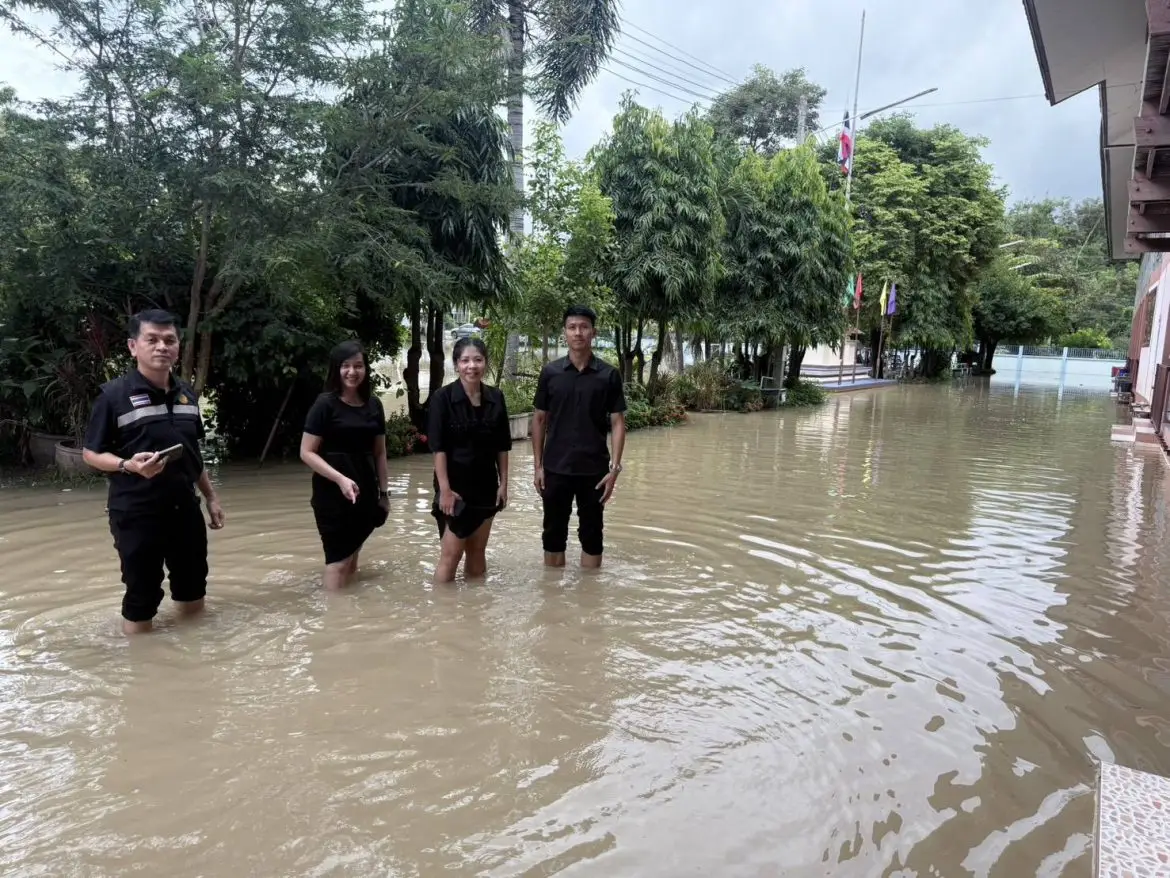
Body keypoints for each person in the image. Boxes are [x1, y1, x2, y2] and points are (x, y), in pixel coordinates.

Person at [81, 309, 226, 635]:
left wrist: (211, 497)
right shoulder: (113, 397)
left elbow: (193, 453)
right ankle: (141, 672)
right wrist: (126, 465)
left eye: (169, 340)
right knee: (142, 595)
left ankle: (194, 659)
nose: (162, 346)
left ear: (177, 347)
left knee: (193, 589)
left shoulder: (187, 394)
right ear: (134, 347)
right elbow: (90, 453)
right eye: (152, 340)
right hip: (135, 510)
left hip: (184, 509)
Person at [531, 305, 627, 569]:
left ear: (593, 332)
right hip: (555, 468)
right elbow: (539, 419)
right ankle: (552, 595)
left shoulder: (608, 375)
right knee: (553, 533)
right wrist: (538, 466)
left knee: (593, 535)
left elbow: (618, 421)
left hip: (594, 470)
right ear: (565, 333)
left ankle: (591, 603)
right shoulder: (551, 373)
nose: (578, 333)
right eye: (572, 327)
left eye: (584, 327)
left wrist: (615, 469)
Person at [299, 340, 390, 590]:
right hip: (332, 496)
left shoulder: (374, 405)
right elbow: (306, 452)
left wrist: (384, 495)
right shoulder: (324, 404)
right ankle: (334, 621)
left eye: (358, 366)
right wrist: (340, 479)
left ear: (366, 369)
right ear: (336, 369)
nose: (352, 372)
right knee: (337, 561)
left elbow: (380, 454)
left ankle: (352, 620)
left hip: (365, 495)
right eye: (346, 366)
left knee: (352, 559)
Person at [427, 337, 512, 583]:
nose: (471, 366)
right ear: (456, 365)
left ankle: (476, 612)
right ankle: (443, 611)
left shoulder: (496, 398)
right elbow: (438, 448)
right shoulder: (442, 399)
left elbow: (502, 446)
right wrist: (444, 491)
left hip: (486, 486)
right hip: (454, 489)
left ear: (485, 363)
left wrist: (504, 484)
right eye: (465, 360)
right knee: (451, 554)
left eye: (477, 360)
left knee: (477, 552)